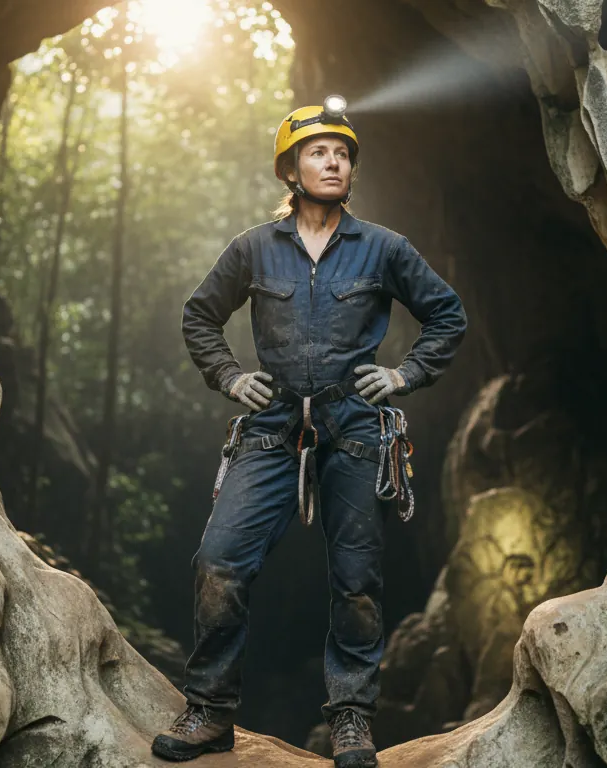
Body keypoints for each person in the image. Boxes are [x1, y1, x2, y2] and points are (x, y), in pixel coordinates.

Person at [151, 97, 467, 768]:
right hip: (272, 425)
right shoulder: (254, 249)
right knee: (218, 560)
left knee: (357, 578)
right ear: (289, 169)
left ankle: (351, 720)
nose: (334, 160)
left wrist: (405, 375)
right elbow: (200, 316)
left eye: (343, 152)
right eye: (319, 151)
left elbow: (447, 315)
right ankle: (210, 711)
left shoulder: (384, 248)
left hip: (353, 424)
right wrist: (232, 378)